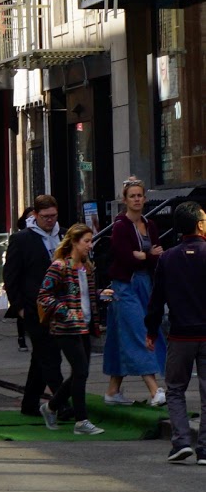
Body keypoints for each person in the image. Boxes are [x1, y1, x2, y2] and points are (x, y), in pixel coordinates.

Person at [146, 200, 206, 464]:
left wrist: (151, 330)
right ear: (199, 225)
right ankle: (204, 448)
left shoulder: (168, 258)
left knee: (175, 389)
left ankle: (181, 441)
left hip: (180, 334)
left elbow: (156, 299)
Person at [102, 177, 167, 407]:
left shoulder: (150, 224)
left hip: (144, 284)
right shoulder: (120, 226)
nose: (137, 199)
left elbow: (154, 254)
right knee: (140, 331)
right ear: (125, 200)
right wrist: (147, 255)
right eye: (133, 196)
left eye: (140, 195)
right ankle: (154, 390)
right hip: (125, 285)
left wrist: (144, 256)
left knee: (122, 336)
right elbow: (125, 257)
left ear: (145, 198)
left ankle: (112, 391)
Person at [36, 222, 106, 435]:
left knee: (79, 372)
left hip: (84, 325)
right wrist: (64, 311)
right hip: (66, 328)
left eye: (91, 241)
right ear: (74, 242)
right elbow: (43, 295)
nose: (90, 245)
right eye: (86, 241)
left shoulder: (87, 267)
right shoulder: (60, 266)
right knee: (81, 371)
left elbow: (86, 294)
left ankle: (50, 407)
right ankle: (81, 420)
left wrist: (101, 294)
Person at [5, 195, 64, 421]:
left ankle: (30, 402)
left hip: (60, 306)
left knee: (41, 357)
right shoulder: (22, 239)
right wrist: (18, 306)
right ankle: (62, 403)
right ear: (36, 216)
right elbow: (11, 275)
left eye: (53, 216)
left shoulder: (64, 235)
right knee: (50, 356)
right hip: (33, 307)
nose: (50, 221)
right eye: (46, 217)